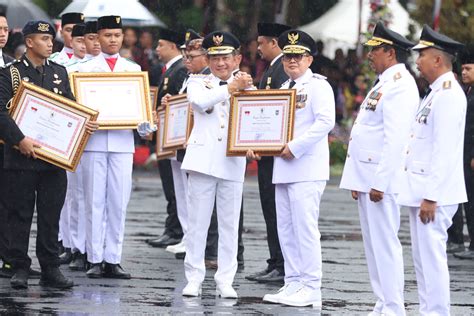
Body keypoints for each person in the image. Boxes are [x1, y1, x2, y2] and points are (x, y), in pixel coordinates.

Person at [0, 20, 94, 289]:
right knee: (19, 214)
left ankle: (50, 267)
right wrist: (19, 140)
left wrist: (84, 123)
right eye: (43, 39)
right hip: (21, 156)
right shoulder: (10, 73)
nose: (50, 43)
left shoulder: (59, 72)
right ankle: (18, 266)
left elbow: (70, 107)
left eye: (51, 39)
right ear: (29, 42)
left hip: (54, 159)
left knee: (51, 215)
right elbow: (0, 113)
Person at [249, 29, 335, 308]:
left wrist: (295, 147)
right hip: (283, 167)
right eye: (288, 57)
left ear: (309, 59)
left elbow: (325, 122)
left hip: (306, 167)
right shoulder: (286, 88)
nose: (292, 61)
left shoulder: (319, 86)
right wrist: (257, 143)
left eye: (298, 56)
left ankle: (311, 286)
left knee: (304, 229)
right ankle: (293, 282)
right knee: (286, 228)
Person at [339, 22, 419, 316]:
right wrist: (358, 179)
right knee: (374, 246)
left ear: (390, 52)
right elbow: (367, 131)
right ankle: (383, 301)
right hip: (367, 177)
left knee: (385, 244)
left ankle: (394, 306)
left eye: (374, 50)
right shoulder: (385, 81)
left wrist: (379, 182)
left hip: (381, 179)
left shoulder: (400, 84)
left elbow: (396, 138)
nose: (369, 55)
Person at [398, 25, 467, 315]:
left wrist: (431, 196)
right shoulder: (435, 92)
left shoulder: (449, 94)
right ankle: (428, 310)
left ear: (438, 60)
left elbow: (444, 150)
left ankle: (437, 312)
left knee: (432, 258)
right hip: (423, 190)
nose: (417, 61)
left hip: (434, 194)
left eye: (422, 55)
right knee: (423, 259)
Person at [180, 31, 252, 298]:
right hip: (203, 160)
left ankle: (225, 279)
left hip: (233, 162)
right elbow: (198, 103)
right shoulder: (197, 82)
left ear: (237, 59)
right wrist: (229, 89)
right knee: (197, 223)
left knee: (230, 225)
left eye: (225, 57)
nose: (220, 63)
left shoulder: (248, 86)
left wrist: (256, 143)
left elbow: (256, 120)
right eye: (214, 57)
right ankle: (194, 277)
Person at [78, 15, 140, 279]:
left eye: (117, 35)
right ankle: (94, 258)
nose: (112, 40)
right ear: (97, 38)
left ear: (122, 37)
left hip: (123, 142)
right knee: (93, 200)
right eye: (107, 35)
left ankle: (113, 258)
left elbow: (141, 111)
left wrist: (144, 125)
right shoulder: (82, 70)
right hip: (93, 143)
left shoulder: (133, 69)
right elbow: (76, 110)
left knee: (118, 201)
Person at [245, 22, 291, 284]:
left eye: (261, 42)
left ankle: (281, 263)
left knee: (276, 210)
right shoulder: (271, 69)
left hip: (275, 152)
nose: (258, 47)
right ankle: (275, 260)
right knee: (269, 208)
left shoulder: (281, 69)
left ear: (274, 43)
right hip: (267, 150)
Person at [49, 12, 85, 265]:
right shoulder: (53, 60)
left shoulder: (92, 62)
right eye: (70, 30)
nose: (75, 36)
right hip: (61, 132)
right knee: (65, 192)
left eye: (80, 32)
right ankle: (64, 241)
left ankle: (81, 244)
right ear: (62, 31)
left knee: (84, 193)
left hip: (90, 133)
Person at [147, 28, 187, 249]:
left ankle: (176, 229)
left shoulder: (180, 70)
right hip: (165, 133)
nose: (157, 49)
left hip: (174, 135)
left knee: (174, 186)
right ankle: (173, 227)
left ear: (173, 46)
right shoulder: (171, 69)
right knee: (170, 185)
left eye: (161, 45)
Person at [0, 12, 30, 280]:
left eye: (6, 29)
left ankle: (9, 257)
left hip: (7, 142)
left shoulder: (12, 67)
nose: (2, 33)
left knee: (8, 202)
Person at [452, 45, 474, 260]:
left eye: (468, 68)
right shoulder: (466, 92)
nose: (464, 73)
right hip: (464, 156)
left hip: (472, 156)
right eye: (463, 69)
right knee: (468, 201)